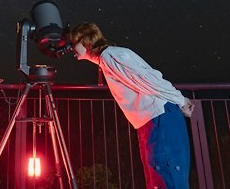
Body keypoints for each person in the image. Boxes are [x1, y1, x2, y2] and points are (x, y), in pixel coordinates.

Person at [68, 23, 195, 189]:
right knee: (158, 178)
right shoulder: (108, 58)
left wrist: (180, 100)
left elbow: (148, 79)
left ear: (85, 40)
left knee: (167, 177)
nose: (70, 48)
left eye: (73, 42)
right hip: (152, 120)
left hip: (159, 118)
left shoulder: (111, 56)